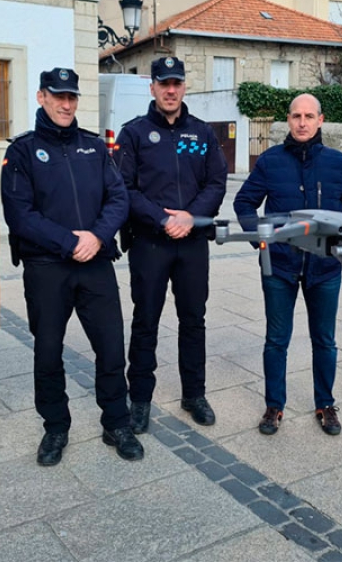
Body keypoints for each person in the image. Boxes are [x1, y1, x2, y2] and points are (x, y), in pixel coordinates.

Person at [1, 67, 144, 466]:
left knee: (112, 349)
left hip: (95, 263)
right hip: (47, 267)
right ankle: (55, 426)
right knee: (48, 351)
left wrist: (96, 238)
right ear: (41, 96)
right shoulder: (22, 152)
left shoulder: (94, 148)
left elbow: (118, 199)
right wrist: (69, 242)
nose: (66, 104)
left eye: (72, 97)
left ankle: (116, 422)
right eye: (58, 96)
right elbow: (20, 214)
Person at [233, 93, 342, 437]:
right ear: (289, 119)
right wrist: (260, 238)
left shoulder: (338, 163)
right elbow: (244, 202)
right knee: (276, 340)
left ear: (321, 120)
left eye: (309, 116)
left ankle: (325, 404)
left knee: (324, 340)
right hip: (280, 267)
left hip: (324, 270)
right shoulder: (270, 161)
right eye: (296, 116)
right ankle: (274, 406)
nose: (303, 122)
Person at [115, 56, 228, 433]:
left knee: (194, 320)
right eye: (163, 83)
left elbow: (215, 182)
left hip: (192, 242)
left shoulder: (202, 133)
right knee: (146, 321)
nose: (170, 90)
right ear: (152, 87)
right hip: (150, 243)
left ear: (184, 86)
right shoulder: (132, 133)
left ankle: (194, 393)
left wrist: (189, 217)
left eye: (176, 83)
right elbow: (124, 189)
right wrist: (163, 218)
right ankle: (140, 399)